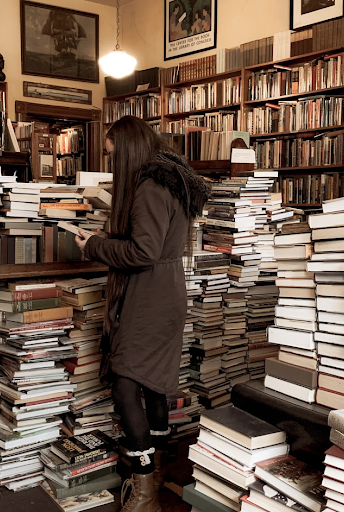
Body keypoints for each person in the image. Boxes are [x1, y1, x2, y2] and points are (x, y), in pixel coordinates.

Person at [75, 116, 209, 512]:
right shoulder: (170, 179)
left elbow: (143, 252)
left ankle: (146, 489)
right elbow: (153, 242)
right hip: (166, 290)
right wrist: (110, 238)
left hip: (150, 294)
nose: (111, 160)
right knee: (152, 383)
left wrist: (95, 246)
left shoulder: (149, 186)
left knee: (125, 385)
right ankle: (159, 468)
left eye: (112, 153)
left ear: (129, 148)